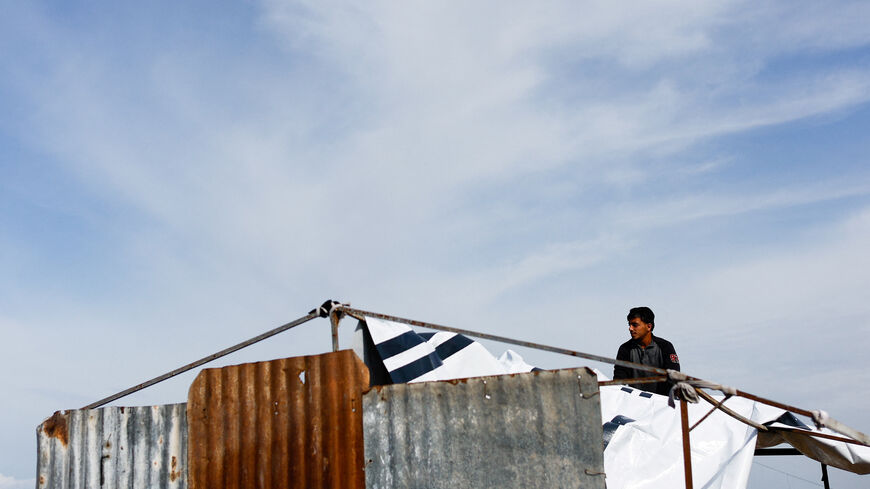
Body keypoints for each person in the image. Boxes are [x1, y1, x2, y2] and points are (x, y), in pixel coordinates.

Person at [613, 306, 680, 395]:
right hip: (635, 403)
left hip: (662, 404)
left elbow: (674, 378)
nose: (630, 328)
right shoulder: (625, 349)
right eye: (629, 325)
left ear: (649, 326)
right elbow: (619, 381)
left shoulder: (665, 347)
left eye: (635, 325)